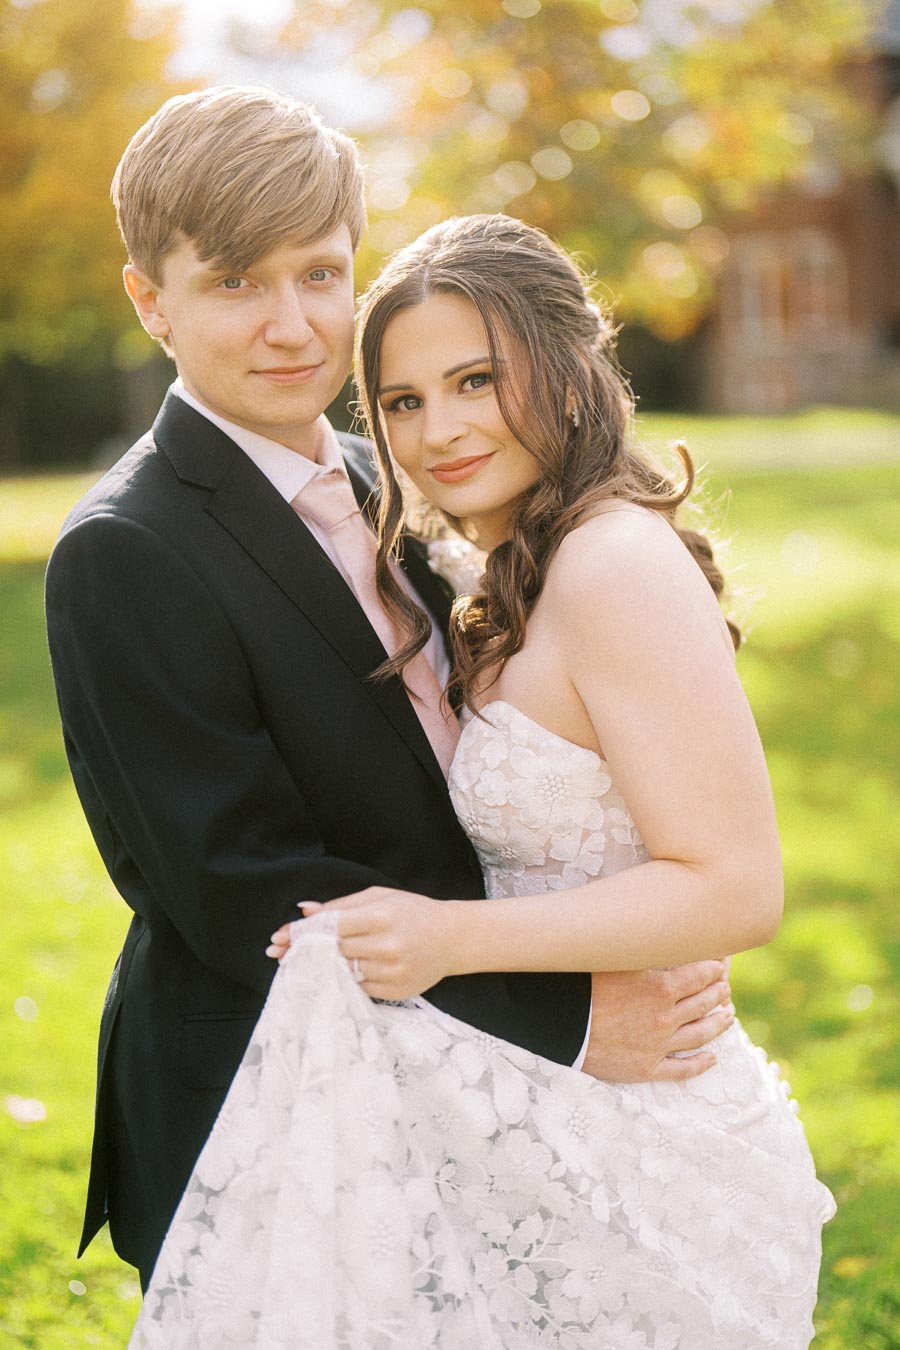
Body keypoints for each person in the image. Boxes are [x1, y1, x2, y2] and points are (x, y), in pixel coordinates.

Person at [45, 90, 731, 1298]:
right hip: (277, 1105)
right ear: (150, 301)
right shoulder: (125, 551)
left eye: (319, 273)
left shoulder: (396, 474)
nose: (293, 326)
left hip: (460, 1079)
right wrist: (567, 1023)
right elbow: (250, 900)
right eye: (235, 284)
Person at [130, 216, 834, 1348]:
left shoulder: (612, 566)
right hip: (540, 1103)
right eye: (403, 402)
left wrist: (451, 939)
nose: (439, 431)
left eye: (475, 380)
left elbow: (736, 887)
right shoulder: (500, 569)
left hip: (648, 1131)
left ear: (565, 364)